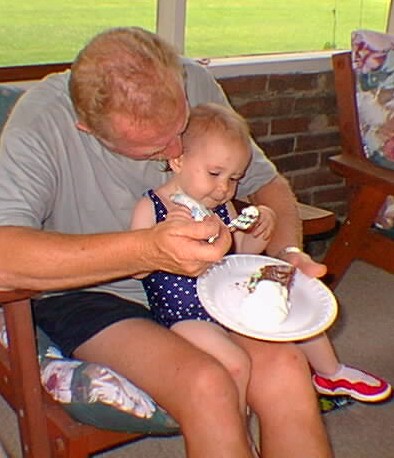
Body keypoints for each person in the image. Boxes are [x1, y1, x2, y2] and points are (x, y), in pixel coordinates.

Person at [0, 27, 333, 457]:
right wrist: (148, 250)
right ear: (86, 127)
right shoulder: (41, 123)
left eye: (180, 128)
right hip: (94, 293)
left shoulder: (194, 81)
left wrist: (288, 255)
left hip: (206, 285)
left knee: (287, 369)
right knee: (207, 384)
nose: (177, 150)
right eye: (155, 147)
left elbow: (267, 184)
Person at [132, 102, 391, 408]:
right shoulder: (153, 207)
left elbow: (237, 254)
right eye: (215, 173)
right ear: (177, 160)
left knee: (290, 309)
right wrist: (162, 241)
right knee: (235, 362)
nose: (223, 188)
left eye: (233, 178)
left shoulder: (220, 207)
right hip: (184, 314)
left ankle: (330, 373)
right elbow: (137, 269)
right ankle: (235, 424)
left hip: (228, 299)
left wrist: (260, 229)